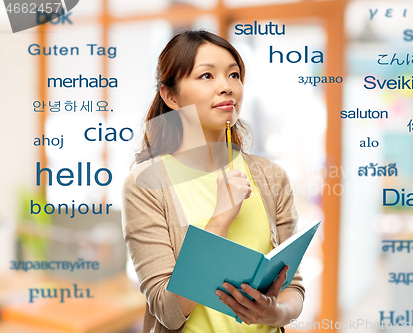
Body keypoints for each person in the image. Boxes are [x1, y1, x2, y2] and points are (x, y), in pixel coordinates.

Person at [122, 30, 304, 333]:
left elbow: (292, 287)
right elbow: (167, 310)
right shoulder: (146, 185)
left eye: (234, 75)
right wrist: (220, 219)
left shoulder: (271, 177)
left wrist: (274, 313)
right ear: (171, 96)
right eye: (206, 76)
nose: (226, 87)